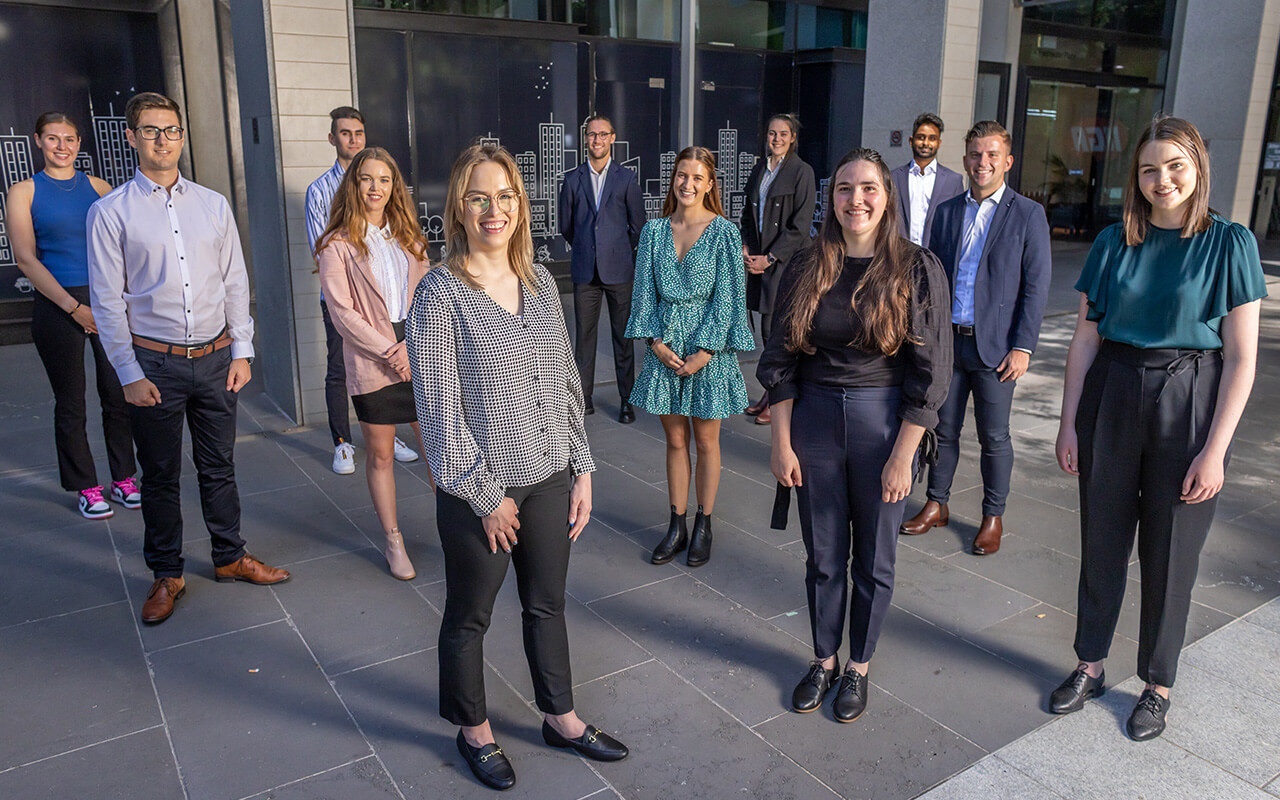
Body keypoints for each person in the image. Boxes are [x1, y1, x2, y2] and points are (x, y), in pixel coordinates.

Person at [407, 143, 628, 792]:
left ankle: (560, 717)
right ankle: (472, 729)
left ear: (520, 206)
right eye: (479, 196)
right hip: (485, 490)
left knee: (547, 605)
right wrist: (484, 496)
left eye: (505, 195)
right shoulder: (440, 295)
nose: (493, 208)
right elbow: (439, 415)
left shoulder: (536, 282)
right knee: (470, 616)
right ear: (458, 208)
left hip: (549, 479)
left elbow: (565, 384)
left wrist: (581, 467)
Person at [1049, 116, 1265, 742]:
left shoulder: (1230, 243)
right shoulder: (1115, 241)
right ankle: (1089, 662)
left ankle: (1157, 683)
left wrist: (1216, 450)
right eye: (1149, 169)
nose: (1162, 179)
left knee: (1171, 555)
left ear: (1197, 167)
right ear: (1135, 178)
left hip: (1190, 397)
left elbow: (1243, 357)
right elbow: (1085, 337)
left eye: (1174, 165)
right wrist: (1069, 424)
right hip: (1112, 392)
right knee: (1103, 542)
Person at [758, 148, 951, 723]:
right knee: (822, 555)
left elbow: (932, 373)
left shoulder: (917, 268)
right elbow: (781, 358)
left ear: (886, 196)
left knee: (874, 558)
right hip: (813, 421)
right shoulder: (806, 264)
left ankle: (858, 667)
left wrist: (903, 457)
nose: (856, 199)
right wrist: (781, 441)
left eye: (868, 187)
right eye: (844, 188)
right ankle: (823, 657)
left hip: (885, 425)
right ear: (831, 198)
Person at [87, 92, 289, 625]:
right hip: (154, 364)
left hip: (218, 357)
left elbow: (233, 281)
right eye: (151, 131)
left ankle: (229, 557)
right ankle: (166, 573)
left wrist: (243, 350)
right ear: (131, 138)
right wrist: (127, 373)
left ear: (183, 135)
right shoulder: (110, 213)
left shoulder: (213, 204)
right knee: (158, 473)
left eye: (172, 130)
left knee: (219, 465)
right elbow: (107, 303)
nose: (163, 140)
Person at [899, 120, 1052, 556]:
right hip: (948, 344)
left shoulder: (1027, 214)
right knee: (941, 430)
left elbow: (1036, 285)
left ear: (1007, 160)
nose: (981, 163)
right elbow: (931, 277)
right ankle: (936, 503)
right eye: (974, 155)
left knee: (994, 436)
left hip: (996, 349)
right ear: (964, 159)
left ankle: (992, 515)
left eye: (990, 155)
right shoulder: (946, 211)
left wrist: (1023, 346)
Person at [626, 146, 754, 568]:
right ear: (673, 179)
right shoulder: (654, 232)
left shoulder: (724, 233)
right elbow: (643, 293)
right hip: (665, 351)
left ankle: (704, 523)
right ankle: (676, 523)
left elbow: (730, 298)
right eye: (682, 175)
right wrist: (655, 343)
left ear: (710, 184)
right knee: (675, 440)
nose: (688, 184)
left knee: (706, 441)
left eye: (697, 178)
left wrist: (705, 351)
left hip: (707, 353)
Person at [6, 112, 138, 520]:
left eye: (69, 139)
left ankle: (124, 477)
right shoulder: (23, 191)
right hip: (57, 303)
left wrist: (115, 302)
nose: (62, 146)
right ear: (38, 141)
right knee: (71, 401)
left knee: (118, 395)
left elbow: (124, 248)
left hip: (106, 301)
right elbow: (25, 259)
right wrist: (74, 308)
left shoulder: (99, 188)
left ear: (80, 142)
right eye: (52, 139)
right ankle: (86, 486)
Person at [316, 147, 428, 581]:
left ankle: (454, 527)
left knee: (439, 446)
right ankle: (394, 540)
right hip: (373, 356)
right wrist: (390, 350)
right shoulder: (337, 244)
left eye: (384, 179)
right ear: (354, 184)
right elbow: (343, 314)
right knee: (381, 454)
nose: (375, 187)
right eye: (366, 179)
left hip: (419, 349)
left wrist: (414, 345)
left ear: (393, 186)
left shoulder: (411, 239)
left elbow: (428, 299)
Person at [305, 106, 420, 474]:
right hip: (346, 300)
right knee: (341, 370)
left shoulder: (401, 226)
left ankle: (389, 432)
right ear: (332, 138)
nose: (353, 139)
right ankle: (343, 442)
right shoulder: (320, 190)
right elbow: (321, 248)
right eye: (345, 133)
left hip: (399, 318)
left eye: (358, 133)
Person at [558, 113, 647, 423]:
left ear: (612, 138)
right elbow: (566, 227)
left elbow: (639, 226)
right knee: (584, 340)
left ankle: (626, 400)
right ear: (586, 139)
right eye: (591, 134)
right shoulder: (572, 179)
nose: (596, 140)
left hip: (619, 271)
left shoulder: (626, 179)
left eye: (602, 134)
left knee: (623, 339)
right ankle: (584, 398)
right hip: (585, 271)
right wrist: (588, 248)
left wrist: (618, 251)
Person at [740, 113, 817, 426]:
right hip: (758, 260)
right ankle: (770, 392)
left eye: (783, 134)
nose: (776, 139)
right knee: (766, 333)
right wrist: (746, 246)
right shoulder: (760, 168)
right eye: (772, 133)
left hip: (784, 264)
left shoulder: (802, 172)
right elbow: (747, 212)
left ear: (793, 137)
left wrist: (769, 258)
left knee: (779, 334)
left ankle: (780, 398)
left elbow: (800, 226)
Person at [890, 112, 965, 249]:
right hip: (899, 256)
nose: (926, 143)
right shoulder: (893, 178)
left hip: (935, 258)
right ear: (911, 141)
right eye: (921, 138)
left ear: (939, 143)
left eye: (932, 138)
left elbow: (956, 225)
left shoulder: (953, 181)